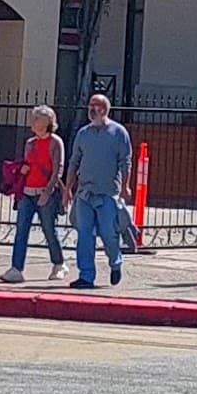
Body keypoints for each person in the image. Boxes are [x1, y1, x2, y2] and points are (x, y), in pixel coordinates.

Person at [66, 94, 132, 288]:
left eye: (96, 106)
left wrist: (125, 186)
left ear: (105, 109)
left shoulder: (118, 133)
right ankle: (86, 276)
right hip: (84, 193)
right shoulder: (83, 133)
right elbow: (74, 161)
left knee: (109, 233)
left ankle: (115, 262)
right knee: (84, 235)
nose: (92, 109)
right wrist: (68, 188)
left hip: (107, 194)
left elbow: (125, 162)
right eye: (90, 105)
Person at [0, 106, 68, 284]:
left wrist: (48, 191)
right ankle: (16, 268)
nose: (33, 122)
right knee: (21, 230)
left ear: (47, 122)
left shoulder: (55, 142)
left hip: (45, 193)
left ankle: (59, 264)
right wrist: (22, 170)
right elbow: (27, 163)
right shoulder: (30, 143)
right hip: (27, 192)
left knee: (49, 230)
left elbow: (57, 170)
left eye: (37, 118)